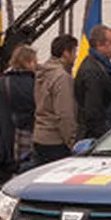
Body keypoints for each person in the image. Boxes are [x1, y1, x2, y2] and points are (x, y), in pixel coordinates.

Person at [0, 45, 37, 181]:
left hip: (7, 139)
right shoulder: (35, 83)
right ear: (28, 61)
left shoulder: (0, 83)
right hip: (31, 135)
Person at [34, 34, 79, 165]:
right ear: (66, 53)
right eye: (74, 52)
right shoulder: (62, 78)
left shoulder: (42, 73)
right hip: (56, 141)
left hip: (39, 136)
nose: (76, 56)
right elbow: (64, 114)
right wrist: (72, 143)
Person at [74, 24, 111, 140]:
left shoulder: (100, 67)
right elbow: (93, 110)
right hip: (95, 136)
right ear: (99, 44)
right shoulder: (92, 71)